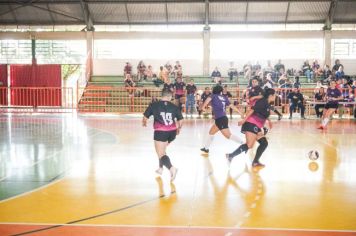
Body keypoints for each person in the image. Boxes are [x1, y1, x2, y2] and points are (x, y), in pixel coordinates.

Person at [226, 88, 276, 168]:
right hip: (251, 123)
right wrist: (243, 120)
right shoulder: (263, 101)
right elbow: (252, 110)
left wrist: (269, 121)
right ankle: (230, 156)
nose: (275, 96)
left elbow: (263, 113)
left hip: (256, 126)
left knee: (264, 143)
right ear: (271, 95)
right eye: (274, 95)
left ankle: (255, 161)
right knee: (249, 145)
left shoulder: (266, 103)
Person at [142, 89, 183, 181]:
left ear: (162, 96)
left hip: (161, 132)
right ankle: (160, 168)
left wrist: (144, 122)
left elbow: (145, 117)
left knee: (160, 153)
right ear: (169, 97)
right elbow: (180, 120)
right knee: (162, 151)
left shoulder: (154, 105)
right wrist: (179, 129)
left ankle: (172, 168)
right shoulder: (174, 106)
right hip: (172, 132)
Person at [200, 85, 244, 154]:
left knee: (228, 135)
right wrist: (239, 112)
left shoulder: (213, 95)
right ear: (220, 91)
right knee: (211, 132)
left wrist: (203, 107)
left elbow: (207, 100)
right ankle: (206, 148)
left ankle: (244, 144)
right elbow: (231, 106)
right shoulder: (224, 97)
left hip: (221, 119)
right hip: (221, 118)